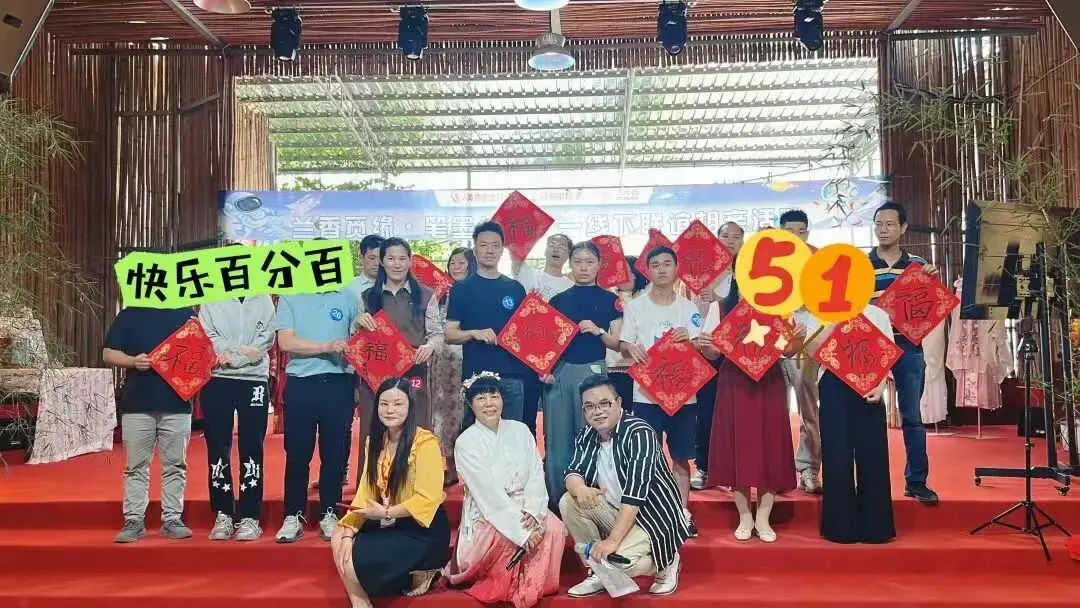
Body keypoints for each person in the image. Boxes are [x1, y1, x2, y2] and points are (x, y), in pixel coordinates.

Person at [561, 374, 689, 598]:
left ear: (619, 403)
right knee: (568, 501)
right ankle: (597, 571)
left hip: (653, 517)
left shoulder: (639, 433)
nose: (597, 411)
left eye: (604, 404)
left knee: (619, 564)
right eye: (590, 406)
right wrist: (579, 487)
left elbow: (635, 495)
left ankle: (667, 561)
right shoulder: (587, 434)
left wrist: (612, 541)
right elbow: (572, 472)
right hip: (617, 511)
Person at [445, 372, 566, 608]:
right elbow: (486, 493)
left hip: (526, 502)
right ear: (471, 404)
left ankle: (535, 584)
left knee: (553, 527)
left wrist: (533, 511)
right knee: (506, 537)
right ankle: (508, 583)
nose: (489, 403)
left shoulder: (520, 430)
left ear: (502, 399)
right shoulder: (466, 442)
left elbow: (535, 472)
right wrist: (521, 530)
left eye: (494, 396)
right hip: (489, 509)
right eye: (481, 398)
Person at [330, 377, 450, 608]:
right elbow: (365, 491)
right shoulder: (374, 441)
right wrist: (349, 531)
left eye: (398, 404)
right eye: (384, 404)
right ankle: (360, 603)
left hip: (422, 528)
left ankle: (424, 568)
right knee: (339, 533)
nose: (390, 410)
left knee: (353, 561)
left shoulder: (425, 442)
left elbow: (429, 498)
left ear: (410, 406)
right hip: (389, 517)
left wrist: (387, 513)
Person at [698, 278, 802, 543]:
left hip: (769, 382)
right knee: (738, 445)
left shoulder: (778, 311)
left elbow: (788, 351)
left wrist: (797, 339)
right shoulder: (721, 308)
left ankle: (764, 516)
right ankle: (745, 516)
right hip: (734, 382)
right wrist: (707, 346)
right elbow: (712, 353)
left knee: (770, 444)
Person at [619, 246, 701, 523]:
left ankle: (681, 512)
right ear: (648, 271)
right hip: (646, 394)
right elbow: (624, 344)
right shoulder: (635, 306)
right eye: (655, 265)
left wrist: (690, 339)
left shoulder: (689, 308)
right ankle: (652, 512)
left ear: (677, 269)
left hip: (683, 395)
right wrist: (632, 348)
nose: (662, 269)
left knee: (681, 456)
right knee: (647, 457)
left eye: (667, 263)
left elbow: (703, 348)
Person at [103, 305, 196, 543]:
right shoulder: (130, 314)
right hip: (137, 403)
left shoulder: (186, 314)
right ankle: (134, 520)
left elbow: (200, 352)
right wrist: (133, 361)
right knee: (135, 466)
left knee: (175, 465)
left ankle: (172, 519)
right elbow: (108, 353)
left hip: (177, 402)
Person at [354, 237, 443, 486]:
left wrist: (429, 347)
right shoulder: (367, 297)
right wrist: (357, 323)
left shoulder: (425, 295)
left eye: (402, 258)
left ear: (410, 261)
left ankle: (419, 491)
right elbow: (354, 340)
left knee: (416, 428)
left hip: (413, 373)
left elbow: (437, 334)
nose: (397, 264)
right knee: (373, 432)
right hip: (376, 377)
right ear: (382, 261)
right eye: (391, 258)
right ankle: (371, 491)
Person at [274, 286, 358, 542]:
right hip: (301, 383)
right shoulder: (290, 296)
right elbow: (285, 342)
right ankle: (293, 515)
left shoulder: (348, 296)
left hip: (339, 383)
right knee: (298, 453)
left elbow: (359, 340)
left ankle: (330, 512)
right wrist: (326, 346)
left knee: (334, 454)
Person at [807, 305, 897, 544]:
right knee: (836, 453)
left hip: (870, 386)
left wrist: (881, 385)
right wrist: (837, 321)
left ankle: (876, 527)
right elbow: (813, 350)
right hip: (832, 385)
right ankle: (840, 527)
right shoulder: (822, 312)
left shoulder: (877, 314)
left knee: (873, 454)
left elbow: (888, 354)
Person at [870, 201, 939, 504]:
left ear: (903, 228)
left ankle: (917, 481)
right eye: (879, 224)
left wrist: (932, 282)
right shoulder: (862, 266)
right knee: (868, 417)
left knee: (912, 416)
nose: (883, 230)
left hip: (909, 347)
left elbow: (931, 305)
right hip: (871, 347)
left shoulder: (917, 265)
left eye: (890, 224)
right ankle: (871, 483)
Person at [544, 241, 623, 506]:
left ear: (599, 265)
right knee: (557, 437)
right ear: (571, 264)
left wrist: (598, 330)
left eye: (589, 262)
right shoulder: (557, 301)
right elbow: (546, 344)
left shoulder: (610, 300)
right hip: (560, 372)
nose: (583, 267)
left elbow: (617, 343)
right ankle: (557, 500)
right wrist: (545, 369)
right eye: (578, 262)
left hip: (594, 372)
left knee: (594, 433)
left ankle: (596, 499)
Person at [199, 294, 276, 541]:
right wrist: (242, 352)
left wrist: (237, 357)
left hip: (254, 380)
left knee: (252, 447)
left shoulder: (263, 298)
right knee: (217, 447)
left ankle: (250, 515)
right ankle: (223, 513)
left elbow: (267, 338)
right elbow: (207, 336)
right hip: (218, 377)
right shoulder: (212, 298)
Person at [444, 221, 531, 428]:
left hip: (512, 378)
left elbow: (527, 334)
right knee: (477, 438)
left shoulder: (516, 288)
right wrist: (474, 333)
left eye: (495, 245)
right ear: (475, 251)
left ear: (502, 250)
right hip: (476, 378)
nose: (489, 250)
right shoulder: (461, 289)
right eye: (483, 245)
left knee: (512, 437)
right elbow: (449, 334)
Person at [690, 220, 743, 491]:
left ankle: (738, 470)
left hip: (742, 352)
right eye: (725, 236)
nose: (730, 241)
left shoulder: (750, 275)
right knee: (707, 410)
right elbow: (691, 315)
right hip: (708, 350)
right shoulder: (701, 275)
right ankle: (704, 466)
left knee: (739, 412)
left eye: (736, 236)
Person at [777, 209, 822, 493]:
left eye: (801, 232)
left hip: (809, 340)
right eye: (789, 232)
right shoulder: (768, 261)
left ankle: (809, 468)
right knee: (774, 410)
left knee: (809, 407)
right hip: (773, 342)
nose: (796, 237)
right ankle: (776, 470)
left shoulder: (818, 261)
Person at [429, 247, 476, 485]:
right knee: (443, 412)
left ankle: (468, 466)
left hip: (467, 356)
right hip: (442, 359)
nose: (456, 267)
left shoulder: (474, 291)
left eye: (461, 262)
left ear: (471, 265)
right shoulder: (441, 293)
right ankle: (446, 465)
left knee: (465, 411)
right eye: (453, 263)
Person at [606, 255, 648, 411]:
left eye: (626, 271)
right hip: (614, 366)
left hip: (641, 365)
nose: (621, 276)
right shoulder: (609, 298)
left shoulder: (647, 299)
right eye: (618, 271)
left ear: (636, 275)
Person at [511, 233, 573, 302]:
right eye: (552, 245)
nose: (556, 249)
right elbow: (516, 253)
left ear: (569, 255)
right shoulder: (529, 274)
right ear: (545, 251)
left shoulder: (571, 287)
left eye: (561, 247)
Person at [345, 234, 384, 301]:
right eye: (372, 258)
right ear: (361, 258)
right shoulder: (348, 287)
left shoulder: (395, 284)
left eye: (381, 258)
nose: (377, 263)